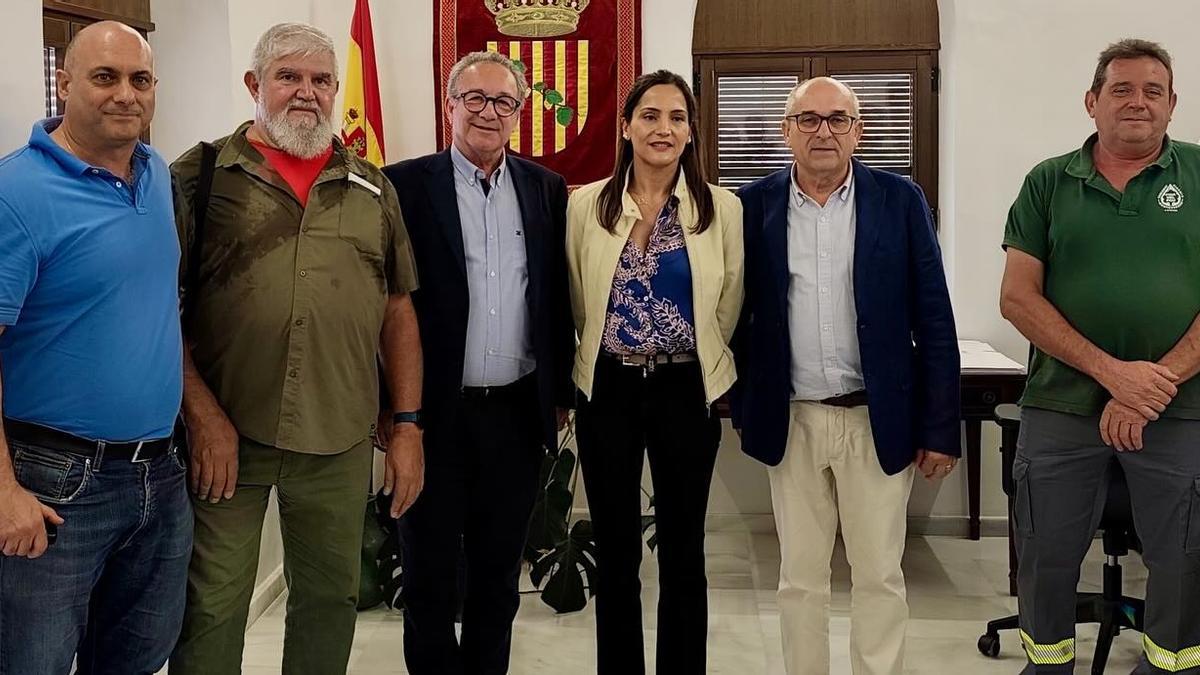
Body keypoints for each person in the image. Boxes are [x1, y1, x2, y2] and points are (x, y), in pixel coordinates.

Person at [167, 22, 422, 675]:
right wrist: (200, 414)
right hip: (228, 438)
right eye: (288, 76)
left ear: (336, 90)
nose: (305, 92)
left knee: (329, 601)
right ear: (255, 85)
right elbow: (155, 314)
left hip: (337, 435)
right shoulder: (198, 179)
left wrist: (408, 426)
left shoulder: (372, 187)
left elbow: (397, 309)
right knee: (213, 606)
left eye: (320, 80)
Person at [732, 76, 960, 675]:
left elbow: (934, 315)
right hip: (795, 418)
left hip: (876, 418)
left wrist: (940, 429)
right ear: (786, 132)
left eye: (837, 119)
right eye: (808, 120)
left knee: (880, 576)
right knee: (799, 579)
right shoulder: (754, 205)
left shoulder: (899, 200)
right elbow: (734, 312)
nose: (823, 131)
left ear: (858, 131)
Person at [999, 38, 1200, 674]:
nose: (1137, 102)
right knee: (1045, 550)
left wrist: (1150, 387)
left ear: (1172, 106)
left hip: (1182, 406)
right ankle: (1047, 664)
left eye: (1153, 91)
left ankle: (1170, 667)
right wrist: (1114, 376)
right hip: (1061, 403)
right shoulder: (1048, 182)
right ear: (1092, 101)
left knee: (1184, 554)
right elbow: (1017, 298)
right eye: (1121, 89)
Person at [0, 21, 191, 675]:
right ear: (65, 82)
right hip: (55, 485)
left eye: (140, 80)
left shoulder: (156, 171)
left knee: (135, 660)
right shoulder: (15, 192)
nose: (125, 95)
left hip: (160, 476)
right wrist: (3, 491)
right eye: (104, 77)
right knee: (35, 663)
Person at [382, 50, 573, 675]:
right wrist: (393, 413)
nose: (490, 112)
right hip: (433, 416)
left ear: (519, 113)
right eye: (476, 99)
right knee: (430, 577)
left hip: (515, 414)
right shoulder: (402, 186)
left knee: (498, 577)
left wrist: (560, 396)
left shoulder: (544, 188)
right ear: (451, 105)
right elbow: (384, 303)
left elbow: (555, 299)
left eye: (504, 102)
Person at [566, 69, 744, 674]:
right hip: (608, 388)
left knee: (683, 549)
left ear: (692, 132)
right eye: (649, 116)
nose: (662, 128)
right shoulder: (585, 205)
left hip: (683, 388)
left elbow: (729, 302)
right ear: (626, 127)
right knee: (616, 549)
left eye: (675, 118)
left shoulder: (721, 209)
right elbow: (576, 298)